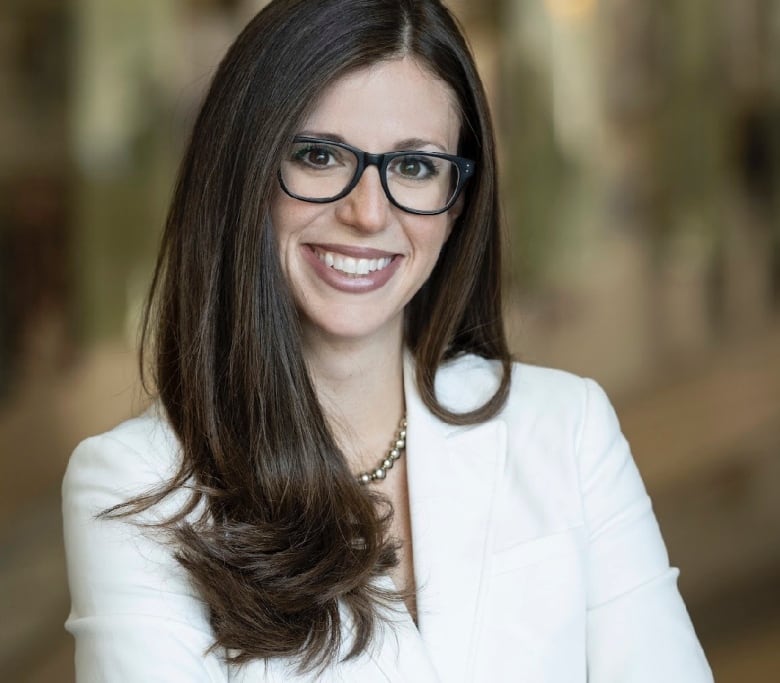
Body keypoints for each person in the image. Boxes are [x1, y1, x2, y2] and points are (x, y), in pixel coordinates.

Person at [62, 1, 714, 681]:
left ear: (458, 201)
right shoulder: (137, 488)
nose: (368, 212)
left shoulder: (567, 428)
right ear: (245, 174)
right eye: (317, 155)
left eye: (414, 168)